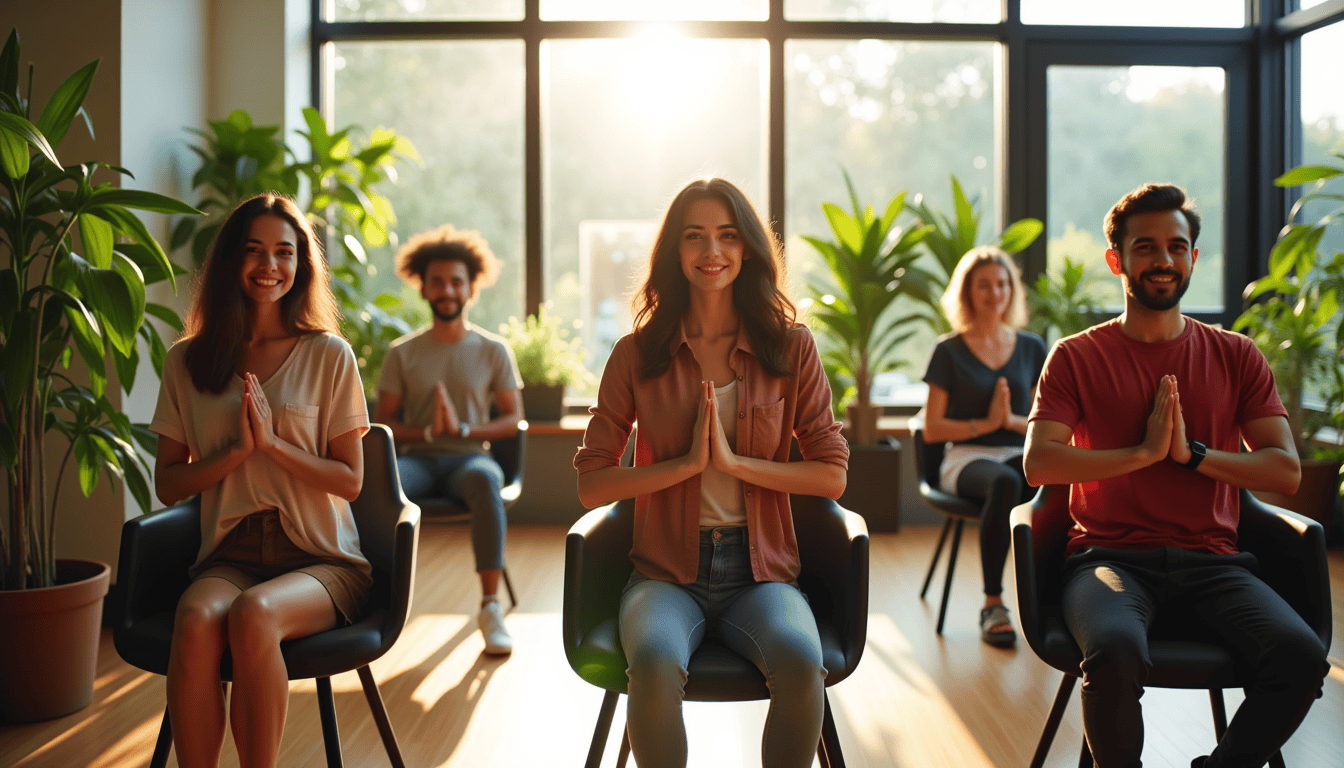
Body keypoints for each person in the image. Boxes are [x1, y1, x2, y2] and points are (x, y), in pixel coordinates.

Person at [1024, 183, 1328, 768]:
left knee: (1300, 657)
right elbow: (1042, 461)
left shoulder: (1236, 354)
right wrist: (1139, 454)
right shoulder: (1075, 355)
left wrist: (1191, 455)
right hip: (1108, 560)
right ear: (1117, 260)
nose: (1162, 260)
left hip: (1215, 564)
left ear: (1193, 256)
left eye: (1176, 246)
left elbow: (1284, 469)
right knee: (1113, 652)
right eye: (1145, 247)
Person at [574, 178, 850, 768]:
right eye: (694, 236)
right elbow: (591, 483)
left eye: (727, 235)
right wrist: (684, 467)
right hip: (664, 575)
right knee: (651, 662)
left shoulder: (791, 348)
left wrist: (734, 465)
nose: (711, 252)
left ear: (748, 248)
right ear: (674, 251)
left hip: (763, 573)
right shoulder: (636, 353)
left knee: (804, 664)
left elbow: (831, 476)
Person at [150, 194, 371, 768]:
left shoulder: (330, 355)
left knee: (255, 615)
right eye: (253, 252)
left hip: (321, 557)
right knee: (196, 619)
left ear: (301, 264)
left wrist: (273, 447)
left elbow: (350, 482)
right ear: (229, 262)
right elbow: (168, 485)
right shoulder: (187, 362)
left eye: (284, 252)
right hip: (231, 551)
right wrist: (236, 453)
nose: (269, 265)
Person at [374, 224, 523, 655]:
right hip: (418, 460)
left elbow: (514, 419)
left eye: (456, 281)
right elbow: (382, 426)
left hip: (469, 459)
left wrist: (462, 431)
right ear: (423, 288)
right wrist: (426, 432)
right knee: (382, 487)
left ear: (470, 288)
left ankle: (490, 606)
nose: (447, 289)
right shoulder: (402, 353)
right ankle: (377, 602)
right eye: (436, 281)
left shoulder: (493, 350)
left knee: (485, 481)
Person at [921, 246, 1046, 646]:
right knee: (1006, 484)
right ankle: (994, 602)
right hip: (965, 458)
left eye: (1002, 283)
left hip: (1019, 454)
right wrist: (985, 425)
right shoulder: (948, 350)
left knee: (1048, 482)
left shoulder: (1031, 347)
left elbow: (1047, 419)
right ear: (967, 293)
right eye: (984, 285)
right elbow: (932, 429)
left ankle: (1053, 596)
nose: (995, 292)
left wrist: (1008, 422)